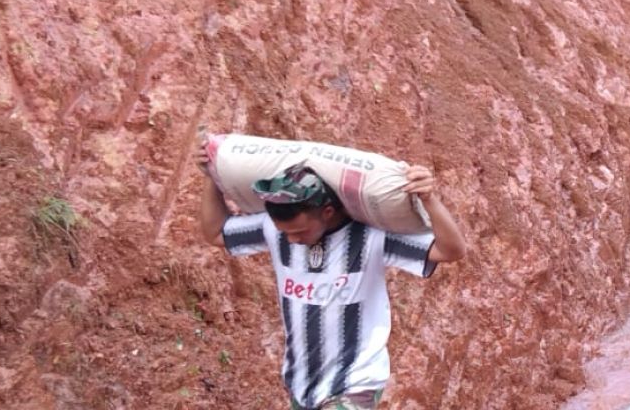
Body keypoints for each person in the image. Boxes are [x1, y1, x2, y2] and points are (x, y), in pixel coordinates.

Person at [197, 153, 468, 410]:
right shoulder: (274, 230)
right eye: (286, 232)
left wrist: (429, 199)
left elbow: (451, 250)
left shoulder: (370, 237)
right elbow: (216, 233)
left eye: (300, 231)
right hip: (300, 383)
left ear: (327, 212)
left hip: (356, 381)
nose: (292, 239)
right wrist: (211, 177)